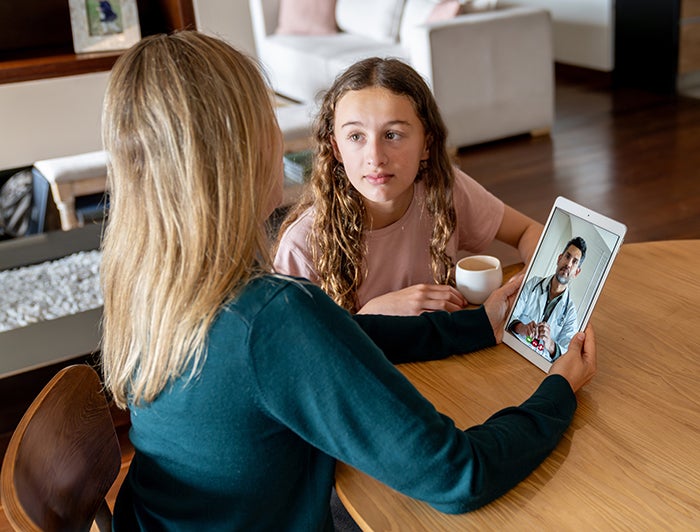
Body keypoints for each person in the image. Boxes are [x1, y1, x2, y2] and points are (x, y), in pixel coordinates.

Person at [100, 31, 596, 531]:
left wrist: (476, 327)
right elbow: (458, 474)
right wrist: (557, 391)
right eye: (268, 119)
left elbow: (334, 339)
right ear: (240, 153)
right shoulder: (273, 317)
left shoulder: (153, 284)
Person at [274, 57, 543, 315]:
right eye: (356, 136)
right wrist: (372, 314)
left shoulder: (444, 190)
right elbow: (288, 355)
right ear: (336, 149)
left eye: (392, 135)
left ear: (426, 143)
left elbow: (528, 232)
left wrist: (528, 284)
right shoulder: (301, 246)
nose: (376, 158)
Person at [508, 237, 587, 361]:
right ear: (559, 258)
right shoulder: (533, 283)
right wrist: (522, 328)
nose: (568, 264)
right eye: (567, 257)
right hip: (513, 347)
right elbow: (510, 314)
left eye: (574, 262)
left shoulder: (571, 313)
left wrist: (550, 344)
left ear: (576, 272)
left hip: (540, 364)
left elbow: (567, 355)